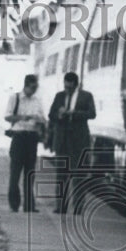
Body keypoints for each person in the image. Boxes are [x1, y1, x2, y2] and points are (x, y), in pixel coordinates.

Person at [47, 72, 96, 214]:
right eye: (65, 86)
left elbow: (92, 114)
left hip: (79, 141)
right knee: (61, 175)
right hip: (62, 141)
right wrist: (60, 114)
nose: (67, 90)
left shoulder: (86, 96)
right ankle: (60, 206)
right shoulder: (59, 96)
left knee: (79, 175)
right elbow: (51, 115)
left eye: (69, 88)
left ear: (76, 85)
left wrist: (73, 113)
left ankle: (78, 207)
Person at [5, 74, 45, 213]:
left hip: (32, 137)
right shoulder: (15, 98)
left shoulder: (37, 100)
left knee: (30, 173)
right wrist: (23, 117)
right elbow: (7, 116)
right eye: (33, 87)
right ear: (26, 85)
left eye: (36, 87)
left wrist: (39, 120)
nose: (34, 90)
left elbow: (43, 118)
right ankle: (14, 203)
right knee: (15, 172)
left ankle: (29, 205)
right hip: (19, 137)